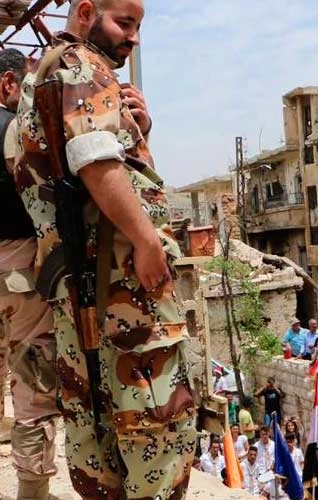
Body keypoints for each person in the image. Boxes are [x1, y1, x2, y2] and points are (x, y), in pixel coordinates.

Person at [11, 2, 198, 498]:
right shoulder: (81, 66)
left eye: (139, 26)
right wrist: (146, 240)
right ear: (87, 12)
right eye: (125, 23)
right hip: (120, 287)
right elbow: (94, 163)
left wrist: (137, 133)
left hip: (80, 285)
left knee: (95, 422)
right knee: (156, 423)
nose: (133, 38)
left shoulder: (45, 72)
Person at [0, 47, 61, 500]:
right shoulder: (15, 131)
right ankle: (32, 492)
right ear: (8, 84)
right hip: (18, 266)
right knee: (33, 386)